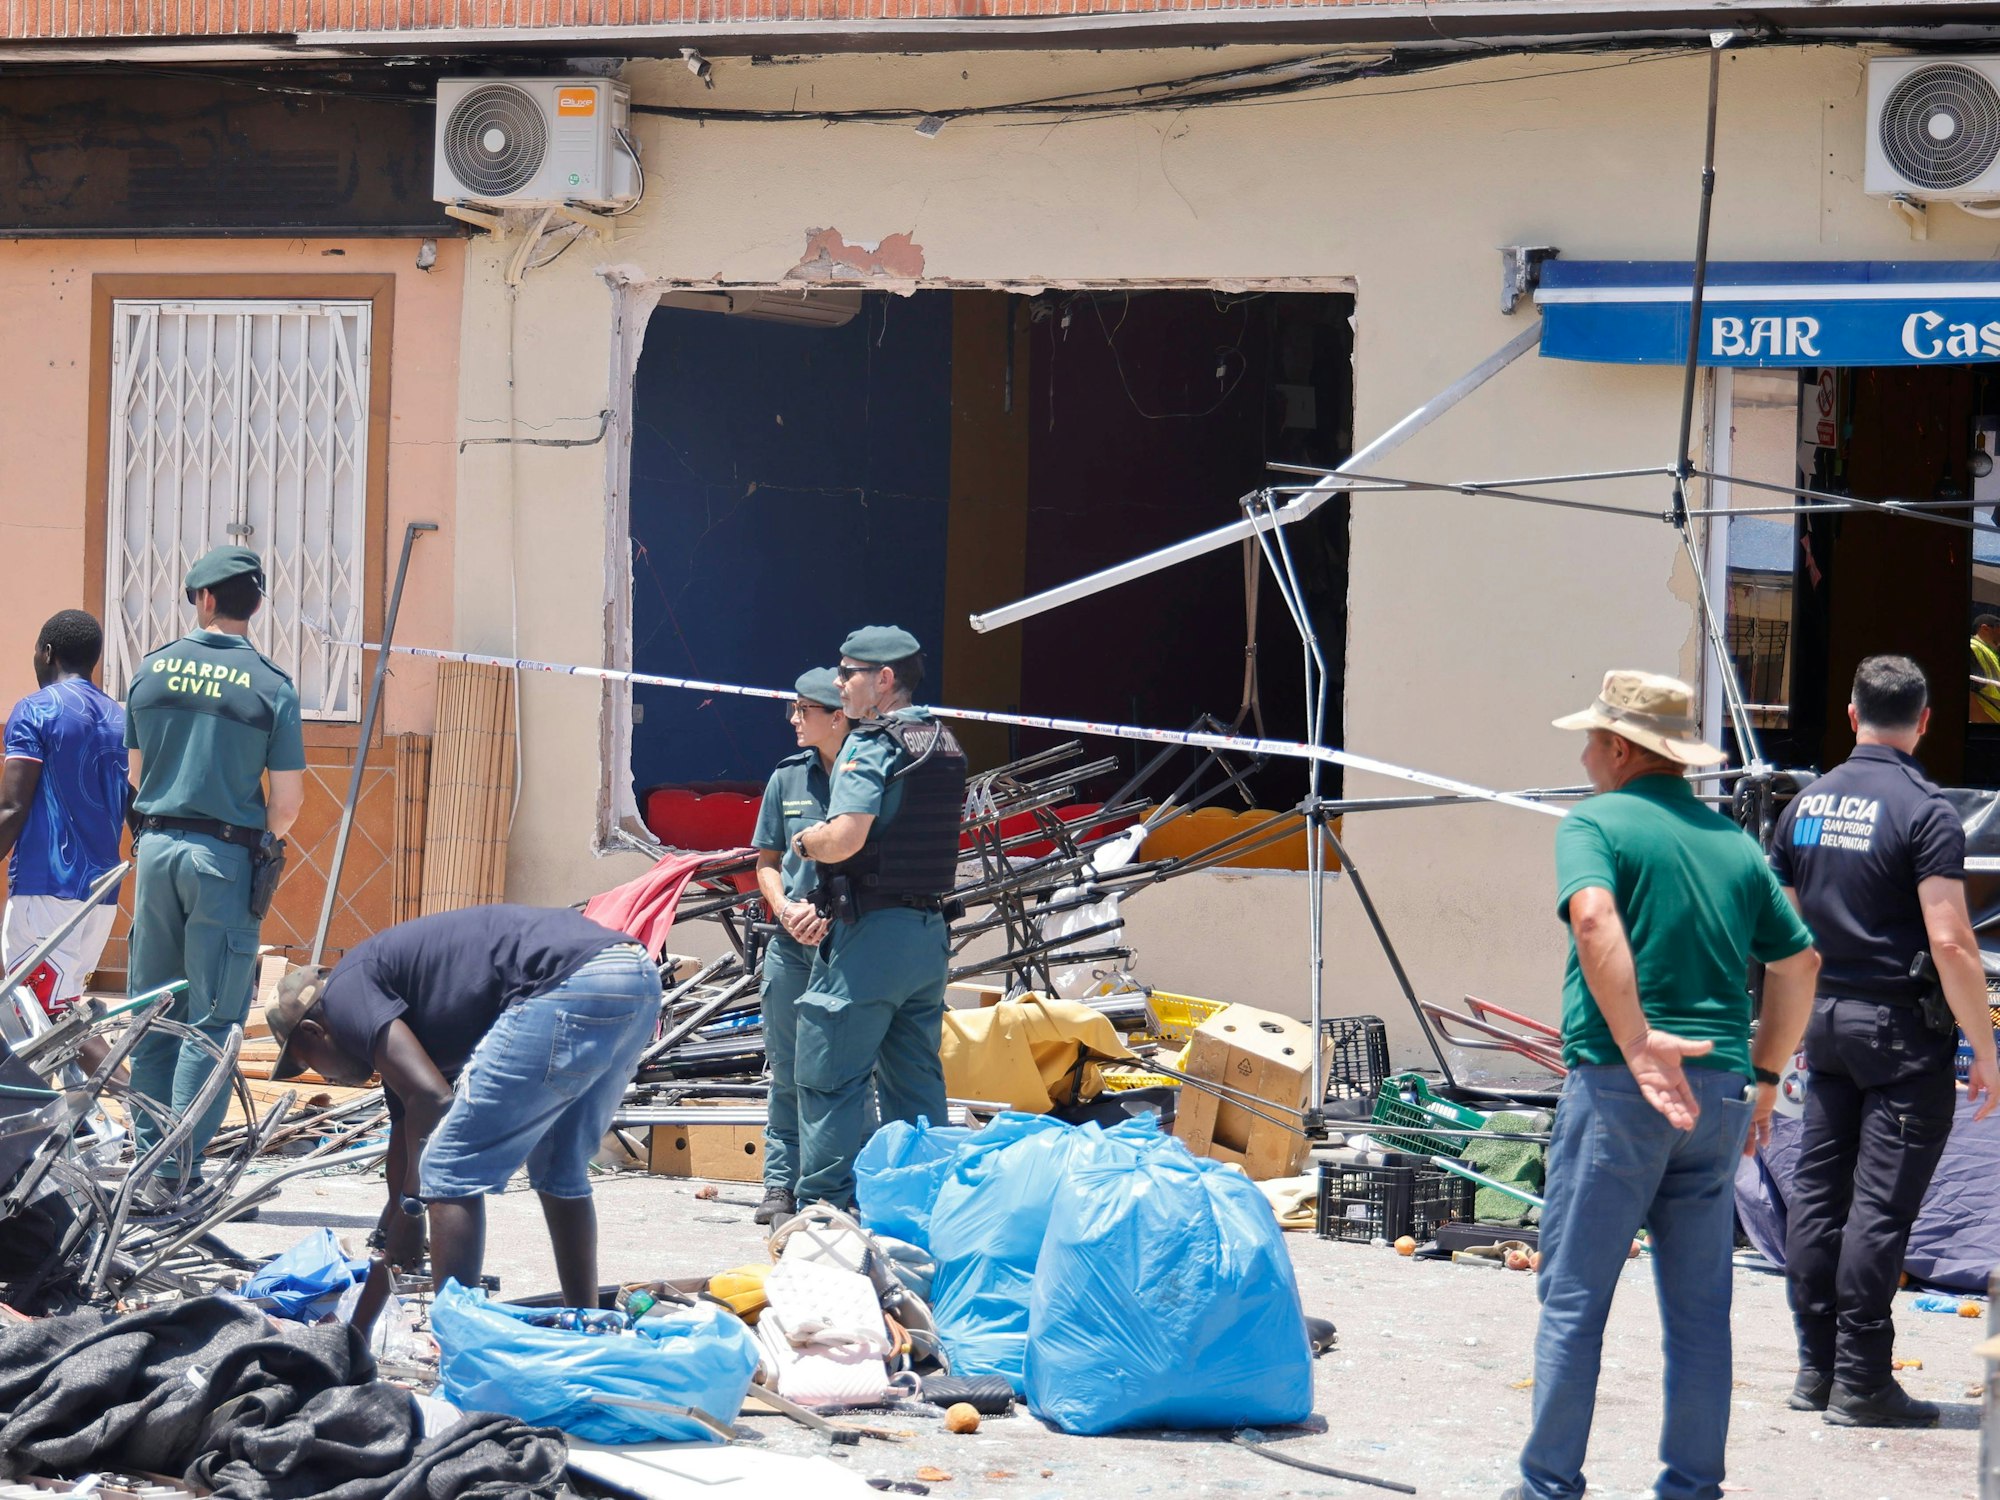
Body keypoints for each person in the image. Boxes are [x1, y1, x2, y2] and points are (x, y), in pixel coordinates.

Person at [1507, 670, 1820, 1500]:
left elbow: (1594, 918)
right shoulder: (1734, 845)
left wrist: (1639, 1041)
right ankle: (1692, 1488)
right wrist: (1763, 1076)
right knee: (1698, 1311)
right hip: (1718, 1094)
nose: (1583, 755)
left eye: (1590, 740)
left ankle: (1548, 1487)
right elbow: (1800, 963)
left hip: (1621, 1088)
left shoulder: (1596, 824)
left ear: (1619, 746)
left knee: (1574, 1297)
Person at [1771, 655, 2000, 1428]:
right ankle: (1863, 1382)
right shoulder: (1926, 809)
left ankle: (1817, 1369)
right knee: (1878, 1211)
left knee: (1818, 1196)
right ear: (1927, 719)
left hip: (1824, 1023)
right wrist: (1985, 1046)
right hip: (1900, 1033)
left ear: (1849, 714)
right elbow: (1953, 941)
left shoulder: (1803, 805)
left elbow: (1781, 935)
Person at [264, 904, 659, 1323]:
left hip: (565, 981)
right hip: (632, 974)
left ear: (313, 1031)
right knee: (560, 1168)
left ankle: (459, 1352)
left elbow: (433, 1102)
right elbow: (407, 1149)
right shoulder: (394, 1033)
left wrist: (413, 1210)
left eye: (309, 1062)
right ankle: (589, 1327)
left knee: (449, 1170)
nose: (325, 1079)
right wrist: (358, 1330)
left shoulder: (346, 993)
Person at [124, 547, 305, 1175]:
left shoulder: (151, 671)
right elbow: (287, 803)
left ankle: (147, 1156)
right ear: (252, 605)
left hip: (155, 853)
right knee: (214, 1017)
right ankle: (177, 1168)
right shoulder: (271, 685)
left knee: (152, 1005)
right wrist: (261, 840)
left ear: (203, 599)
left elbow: (136, 775)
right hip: (225, 859)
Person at [788, 627, 966, 1211]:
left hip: (871, 938)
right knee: (915, 1082)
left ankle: (824, 1211)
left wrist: (806, 842)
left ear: (883, 680)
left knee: (829, 1076)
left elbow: (845, 837)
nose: (838, 684)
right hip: (928, 937)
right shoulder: (942, 741)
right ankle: (923, 1207)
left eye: (848, 673)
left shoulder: (871, 744)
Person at [749, 668, 850, 1227]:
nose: (792, 719)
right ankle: (780, 1185)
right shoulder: (786, 778)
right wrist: (785, 908)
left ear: (836, 715)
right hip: (791, 944)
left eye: (802, 710)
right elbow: (765, 863)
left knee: (844, 1068)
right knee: (786, 1067)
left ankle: (836, 1183)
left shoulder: (869, 777)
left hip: (847, 942)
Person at [0, 612, 131, 1030]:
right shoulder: (120, 718)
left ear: (48, 652)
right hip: (101, 898)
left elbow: (12, 807)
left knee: (32, 1022)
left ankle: (124, 1093)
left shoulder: (35, 711)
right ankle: (77, 1097)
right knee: (59, 1021)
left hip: (46, 890)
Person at [1969, 615, 2000, 724]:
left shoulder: (1989, 652)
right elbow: (1969, 698)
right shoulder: (1973, 649)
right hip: (1985, 730)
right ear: (1985, 629)